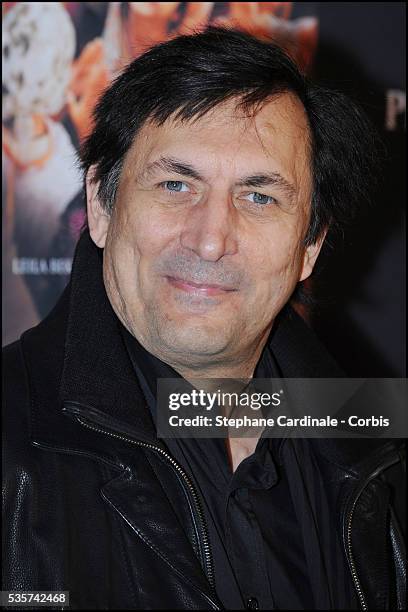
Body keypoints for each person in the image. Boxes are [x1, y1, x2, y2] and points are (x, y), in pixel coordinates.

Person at [3, 27, 405, 610]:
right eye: (175, 184)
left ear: (310, 245)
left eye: (259, 197)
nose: (212, 239)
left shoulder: (375, 447)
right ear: (100, 204)